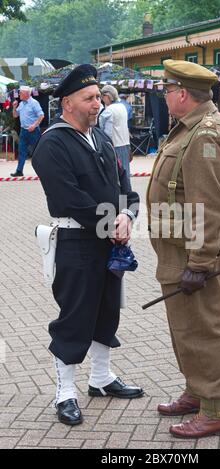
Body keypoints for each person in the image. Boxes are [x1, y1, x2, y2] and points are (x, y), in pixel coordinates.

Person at [32, 64, 143, 427]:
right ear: (67, 102)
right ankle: (65, 393)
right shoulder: (53, 142)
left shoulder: (104, 140)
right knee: (76, 316)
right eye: (90, 98)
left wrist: (128, 215)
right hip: (76, 243)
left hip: (109, 242)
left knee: (107, 310)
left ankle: (101, 378)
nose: (98, 103)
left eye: (98, 97)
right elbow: (69, 199)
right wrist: (113, 221)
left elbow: (126, 186)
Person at [147, 59, 220, 439]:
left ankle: (215, 410)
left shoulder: (203, 136)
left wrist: (199, 264)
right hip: (178, 250)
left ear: (182, 94)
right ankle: (197, 391)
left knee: (204, 329)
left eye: (167, 91)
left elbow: (211, 206)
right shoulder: (188, 129)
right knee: (185, 328)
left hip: (193, 254)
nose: (166, 98)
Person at [99, 85, 132, 187]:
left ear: (107, 96)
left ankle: (119, 201)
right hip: (125, 144)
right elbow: (126, 128)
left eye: (102, 97)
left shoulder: (109, 111)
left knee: (116, 177)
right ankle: (128, 199)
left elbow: (106, 133)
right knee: (125, 176)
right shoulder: (122, 107)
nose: (101, 100)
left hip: (114, 146)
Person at [11, 85, 44, 177]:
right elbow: (15, 115)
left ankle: (43, 170)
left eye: (20, 93)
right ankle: (19, 171)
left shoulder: (34, 103)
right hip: (23, 131)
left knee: (37, 152)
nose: (19, 94)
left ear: (26, 94)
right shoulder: (21, 103)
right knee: (21, 151)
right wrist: (14, 107)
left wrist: (34, 125)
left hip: (33, 131)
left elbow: (41, 115)